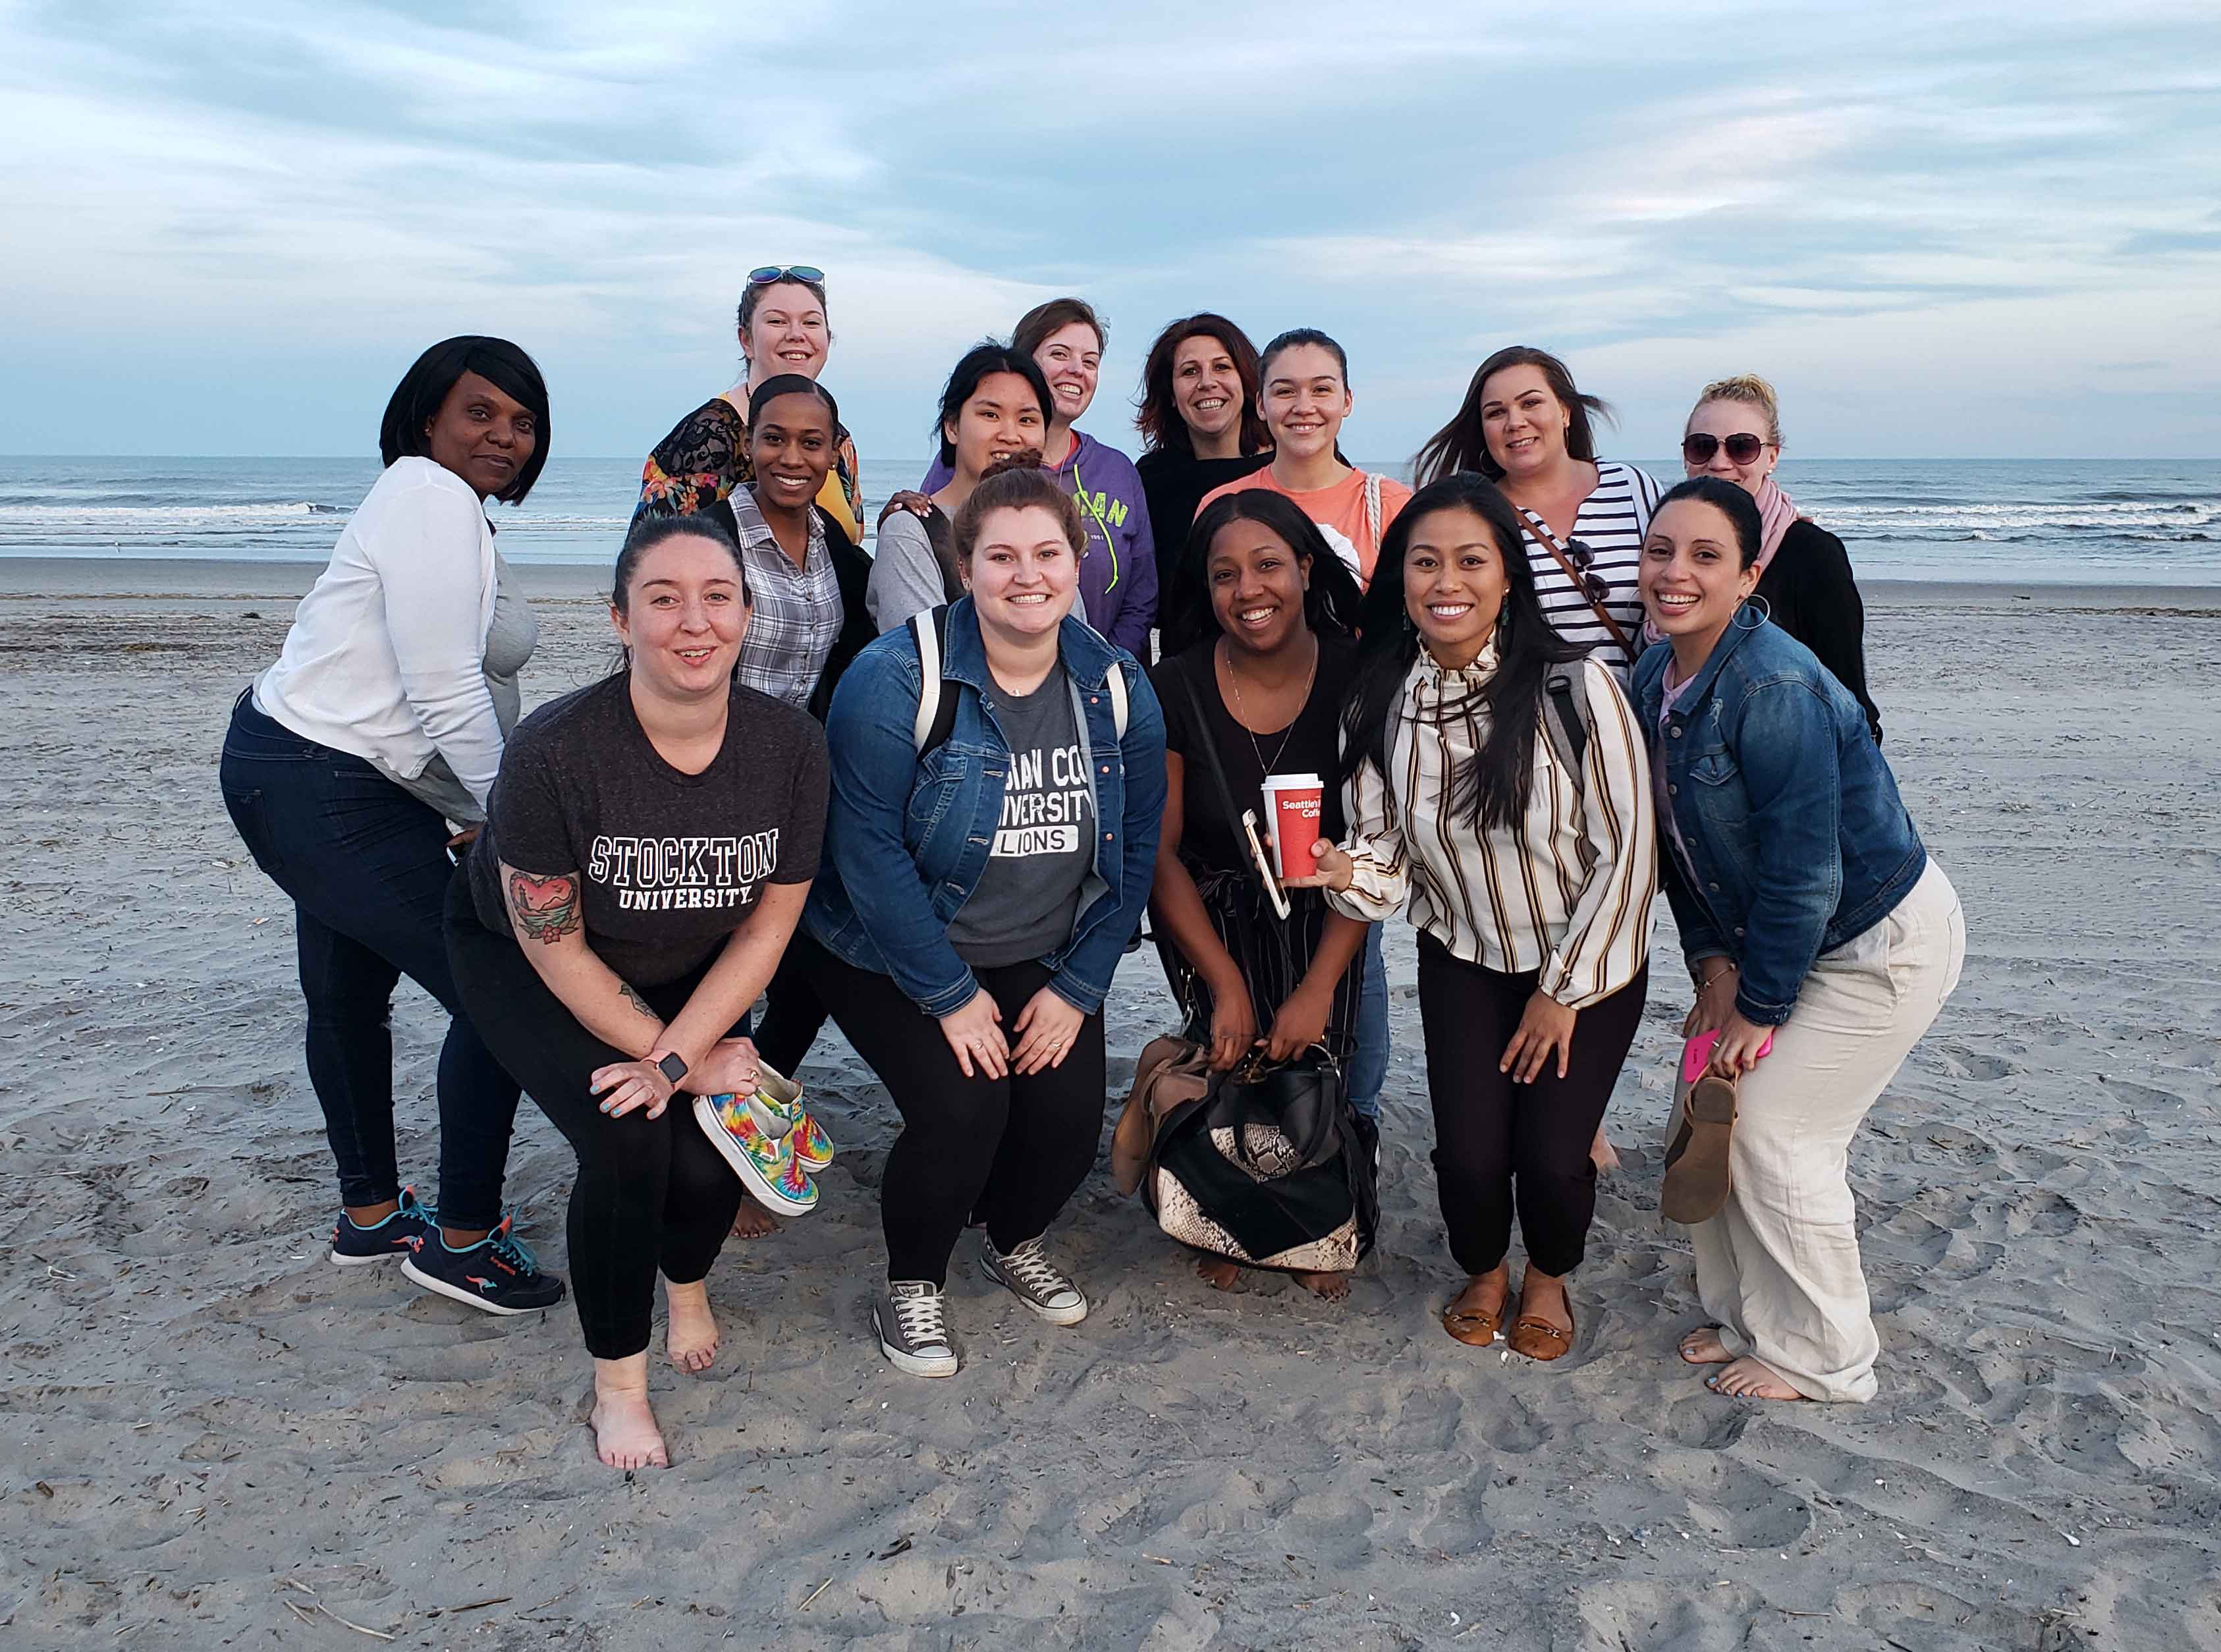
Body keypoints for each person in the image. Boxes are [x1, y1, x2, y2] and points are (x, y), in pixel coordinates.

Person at [445, 514, 829, 1468]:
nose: (693, 622)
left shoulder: (791, 749)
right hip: (530, 962)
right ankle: (618, 1383)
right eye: (663, 599)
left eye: (718, 596)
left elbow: (769, 926)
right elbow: (556, 945)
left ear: (748, 613)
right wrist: (672, 1065)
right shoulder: (555, 752)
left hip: (693, 961)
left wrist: (680, 1057)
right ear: (620, 618)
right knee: (628, 1141)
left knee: (702, 1166)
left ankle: (687, 1282)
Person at [800, 459, 1166, 1377]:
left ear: (1079, 560)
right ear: (965, 567)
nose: (1026, 574)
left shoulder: (1118, 688)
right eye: (1000, 555)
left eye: (1047, 552)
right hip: (894, 945)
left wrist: (1078, 990)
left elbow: (1130, 857)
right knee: (965, 1107)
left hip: (1038, 947)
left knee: (1063, 1123)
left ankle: (1008, 1237)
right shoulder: (894, 679)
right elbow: (867, 853)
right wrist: (949, 996)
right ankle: (912, 1282)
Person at [219, 336, 561, 1311]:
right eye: (480, 413)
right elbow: (447, 688)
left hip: (311, 768)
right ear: (427, 420)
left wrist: (460, 808)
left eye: (523, 422)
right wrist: (514, 824)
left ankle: (370, 1217)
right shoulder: (429, 498)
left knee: (346, 998)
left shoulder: (438, 506)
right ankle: (462, 1239)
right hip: (323, 782)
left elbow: (423, 688)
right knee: (500, 994)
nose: (504, 436)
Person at [1296, 474, 1655, 1361]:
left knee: (1554, 1156)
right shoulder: (1379, 700)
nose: (1445, 580)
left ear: (1506, 577)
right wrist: (1341, 870)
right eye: (1425, 562)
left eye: (1469, 560)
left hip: (1584, 963)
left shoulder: (1575, 690)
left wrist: (1563, 992)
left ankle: (1548, 1280)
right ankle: (1487, 1270)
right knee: (1466, 1155)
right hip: (1460, 955)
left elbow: (1629, 853)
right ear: (1403, 577)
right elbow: (1388, 861)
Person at [1634, 477, 1963, 1404]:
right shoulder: (1652, 677)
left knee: (1778, 1130)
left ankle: (1825, 1358)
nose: (1676, 572)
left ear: (1748, 578)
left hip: (1876, 943)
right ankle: (1750, 1319)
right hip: (1776, 942)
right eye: (1662, 551)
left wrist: (1759, 1004)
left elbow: (1804, 871)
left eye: (1706, 557)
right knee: (1703, 1112)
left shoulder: (1774, 685)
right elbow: (1676, 849)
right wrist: (1713, 968)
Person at [1148, 491, 1372, 1296]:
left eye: (1269, 564)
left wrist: (1316, 987)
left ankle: (1319, 1221)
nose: (1250, 589)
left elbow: (1377, 847)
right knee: (1231, 1065)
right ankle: (1234, 1221)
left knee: (1326, 1066)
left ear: (1307, 569)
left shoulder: (1358, 671)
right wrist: (1226, 981)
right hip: (1214, 916)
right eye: (1225, 574)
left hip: (1335, 913)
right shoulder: (1174, 684)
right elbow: (1162, 854)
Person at [914, 298, 1157, 653]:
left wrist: (1106, 668)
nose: (1077, 369)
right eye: (1060, 354)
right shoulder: (964, 465)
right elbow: (935, 541)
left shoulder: (1118, 470)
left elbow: (1142, 591)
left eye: (1090, 362)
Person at [1414, 346, 1661, 682]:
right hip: (1533, 722)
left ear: (1565, 412)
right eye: (1496, 412)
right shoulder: (1476, 515)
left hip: (1645, 720)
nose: (1515, 422)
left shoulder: (1634, 489)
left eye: (1530, 403)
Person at [1682, 374, 1882, 744]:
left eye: (1742, 447)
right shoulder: (1666, 551)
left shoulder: (1811, 553)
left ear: (1771, 457)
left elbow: (1849, 697)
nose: (1720, 462)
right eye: (1702, 447)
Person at [633, 265, 865, 543]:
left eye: (811, 323)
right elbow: (650, 555)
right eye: (777, 322)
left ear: (826, 340)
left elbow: (851, 543)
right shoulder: (706, 438)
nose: (796, 334)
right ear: (747, 341)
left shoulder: (839, 440)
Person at [1194, 328, 1411, 592]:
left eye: (1321, 389)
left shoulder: (1390, 504)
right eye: (1285, 392)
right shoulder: (1222, 504)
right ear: (1261, 405)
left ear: (1347, 401)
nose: (1304, 407)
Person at [867, 343, 1053, 630]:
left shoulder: (1050, 528)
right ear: (952, 427)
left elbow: (1075, 644)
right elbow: (919, 656)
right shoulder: (912, 531)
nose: (1010, 435)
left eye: (1027, 419)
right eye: (990, 415)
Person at [1134, 313, 1273, 586]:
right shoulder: (1151, 479)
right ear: (1172, 395)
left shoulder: (1287, 466)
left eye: (1221, 367)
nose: (1207, 382)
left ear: (1246, 380)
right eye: (1190, 371)